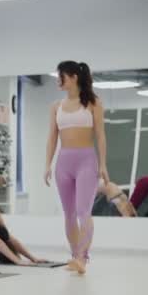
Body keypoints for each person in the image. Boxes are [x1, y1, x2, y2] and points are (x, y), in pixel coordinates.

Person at [45, 61, 109, 274]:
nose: (58, 80)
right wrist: (47, 164)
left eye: (61, 76)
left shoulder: (93, 103)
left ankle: (83, 257)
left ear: (73, 77)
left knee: (83, 211)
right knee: (69, 213)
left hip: (86, 161)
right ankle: (75, 256)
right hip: (63, 163)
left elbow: (100, 135)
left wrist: (103, 165)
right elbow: (52, 138)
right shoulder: (56, 107)